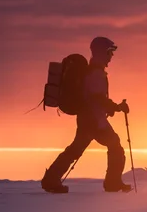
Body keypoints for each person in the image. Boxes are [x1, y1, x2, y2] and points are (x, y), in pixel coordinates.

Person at [41, 37, 132, 193]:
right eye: (109, 52)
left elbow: (94, 97)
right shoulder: (96, 73)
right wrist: (117, 107)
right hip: (94, 120)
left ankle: (51, 179)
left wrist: (109, 107)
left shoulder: (93, 72)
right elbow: (96, 98)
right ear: (101, 53)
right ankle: (112, 183)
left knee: (76, 149)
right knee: (115, 145)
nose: (111, 56)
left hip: (88, 118)